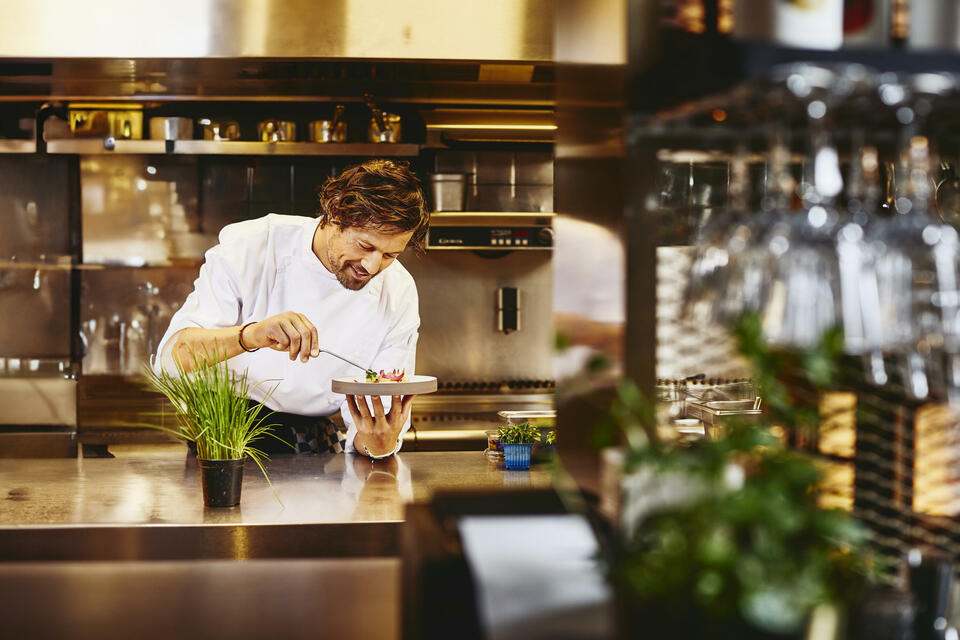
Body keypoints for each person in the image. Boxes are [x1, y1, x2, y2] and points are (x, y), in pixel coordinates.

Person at [153, 159, 429, 458]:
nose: (373, 266)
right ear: (333, 214)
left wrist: (380, 444)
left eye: (390, 254)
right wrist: (252, 335)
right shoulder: (254, 245)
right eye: (364, 246)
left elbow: (373, 431)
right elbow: (172, 359)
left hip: (315, 442)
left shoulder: (397, 290)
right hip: (227, 436)